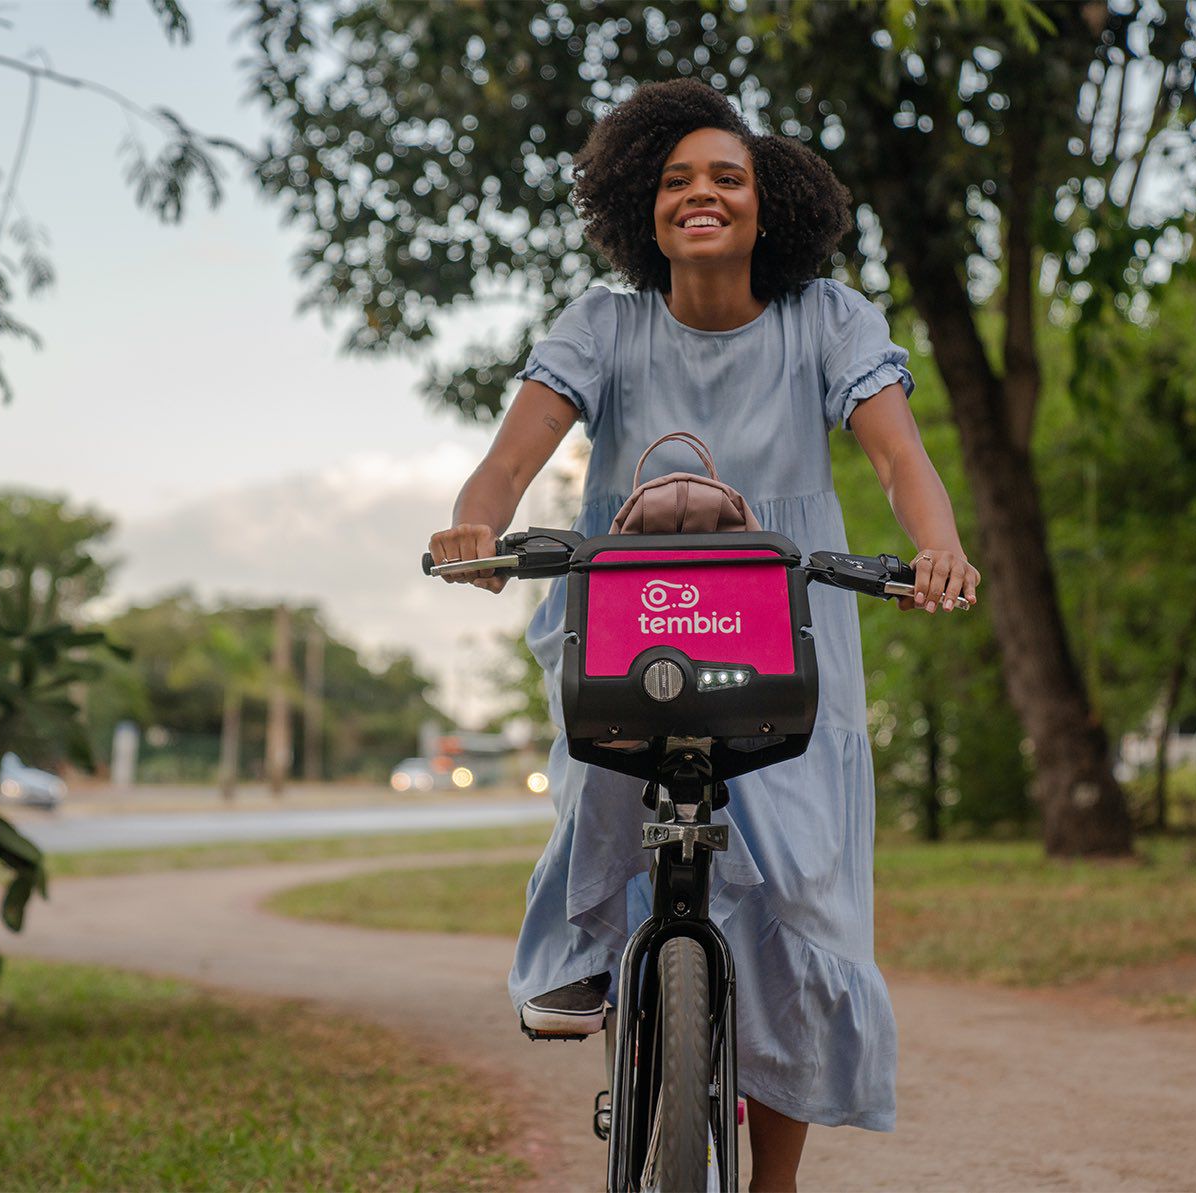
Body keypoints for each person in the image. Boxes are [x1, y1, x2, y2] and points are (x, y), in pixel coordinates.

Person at [427, 78, 979, 1192]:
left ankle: (771, 1178)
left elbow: (895, 456)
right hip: (632, 612)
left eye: (727, 176)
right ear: (644, 205)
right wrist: (476, 521)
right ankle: (582, 956)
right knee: (600, 774)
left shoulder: (827, 318)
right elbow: (514, 451)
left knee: (806, 899)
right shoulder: (604, 323)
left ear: (767, 206)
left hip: (787, 622)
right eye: (675, 179)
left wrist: (938, 546)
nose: (702, 194)